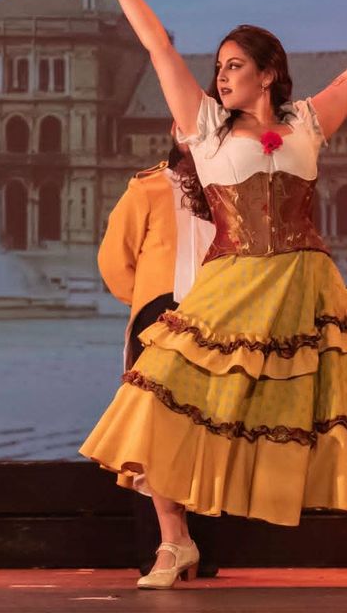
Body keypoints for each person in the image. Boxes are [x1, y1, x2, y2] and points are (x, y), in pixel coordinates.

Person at [61, 0, 347, 589]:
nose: (221, 74)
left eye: (235, 65)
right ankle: (174, 542)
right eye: (219, 66)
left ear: (269, 73)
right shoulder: (204, 126)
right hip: (233, 283)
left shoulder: (307, 122)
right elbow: (158, 45)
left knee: (344, 410)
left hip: (306, 286)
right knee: (163, 400)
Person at [97, 133, 217, 576]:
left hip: (214, 320)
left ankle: (201, 547)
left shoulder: (228, 190)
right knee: (152, 432)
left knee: (207, 433)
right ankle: (157, 544)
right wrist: (146, 303)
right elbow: (115, 258)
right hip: (159, 317)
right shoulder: (146, 188)